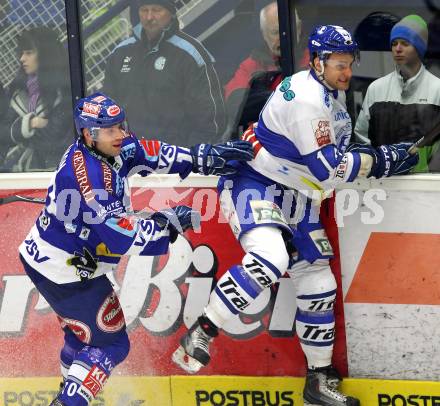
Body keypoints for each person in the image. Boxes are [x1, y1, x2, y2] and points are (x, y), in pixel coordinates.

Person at [172, 25, 419, 406]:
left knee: (319, 283)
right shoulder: (307, 99)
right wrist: (382, 160)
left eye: (350, 64)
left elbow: (333, 156)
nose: (347, 72)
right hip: (255, 184)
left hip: (297, 196)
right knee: (270, 259)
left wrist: (370, 156)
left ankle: (317, 381)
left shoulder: (326, 93)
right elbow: (327, 170)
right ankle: (202, 330)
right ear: (318, 61)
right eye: (339, 64)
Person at [18, 92, 253, 406]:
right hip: (64, 270)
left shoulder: (106, 147)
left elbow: (150, 152)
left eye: (120, 126)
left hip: (57, 258)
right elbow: (118, 235)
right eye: (111, 129)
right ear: (89, 134)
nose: (120, 134)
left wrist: (201, 156)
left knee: (82, 336)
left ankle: (68, 396)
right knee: (112, 343)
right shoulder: (89, 177)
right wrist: (166, 224)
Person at [102, 0, 226, 147]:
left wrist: (188, 158)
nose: (149, 17)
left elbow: (211, 119)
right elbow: (106, 111)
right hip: (129, 156)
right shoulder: (120, 53)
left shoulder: (191, 54)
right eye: (144, 10)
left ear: (171, 13)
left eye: (156, 10)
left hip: (176, 158)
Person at [354, 14, 440, 172]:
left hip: (427, 184)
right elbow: (362, 136)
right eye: (394, 43)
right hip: (382, 181)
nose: (398, 49)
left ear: (419, 48)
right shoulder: (376, 89)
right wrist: (374, 163)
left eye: (405, 43)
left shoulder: (437, 90)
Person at [0, 26, 72, 172]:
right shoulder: (19, 89)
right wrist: (32, 123)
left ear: (46, 55)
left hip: (61, 169)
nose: (22, 58)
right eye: (21, 53)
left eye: (29, 53)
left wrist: (22, 130)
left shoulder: (65, 89)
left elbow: (57, 135)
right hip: (29, 169)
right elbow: (3, 133)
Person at [223, 1, 282, 140]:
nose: (281, 38)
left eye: (288, 29)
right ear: (264, 34)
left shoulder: (313, 59)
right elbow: (235, 101)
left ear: (298, 29)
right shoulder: (251, 64)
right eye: (275, 32)